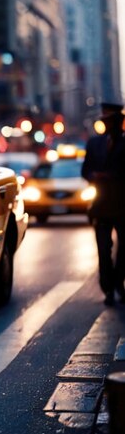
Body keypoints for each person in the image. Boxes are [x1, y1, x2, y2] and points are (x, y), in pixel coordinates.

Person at [82, 102, 125, 305]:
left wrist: (110, 176)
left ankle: (119, 282)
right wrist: (93, 176)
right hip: (101, 206)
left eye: (111, 121)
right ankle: (108, 288)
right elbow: (85, 170)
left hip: (122, 205)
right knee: (103, 248)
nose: (107, 124)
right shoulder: (94, 143)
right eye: (105, 121)